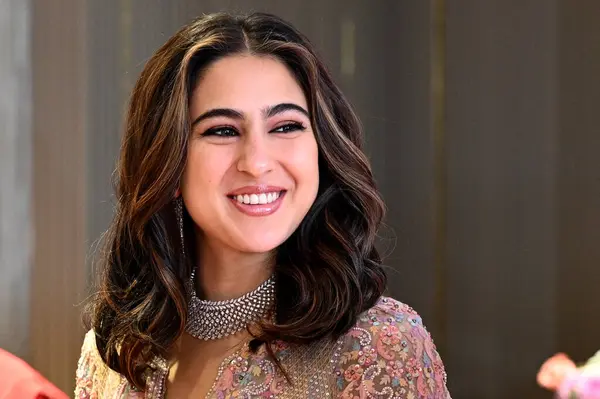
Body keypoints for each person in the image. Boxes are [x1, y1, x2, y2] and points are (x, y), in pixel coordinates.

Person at [74, 12, 451, 398]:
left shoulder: (377, 346)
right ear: (168, 163)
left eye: (286, 126)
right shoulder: (116, 353)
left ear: (321, 150)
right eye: (221, 130)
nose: (256, 162)